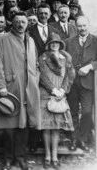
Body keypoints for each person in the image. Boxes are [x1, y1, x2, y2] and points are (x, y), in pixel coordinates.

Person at [0, 12, 40, 170]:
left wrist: (35, 80)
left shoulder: (30, 40)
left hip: (28, 88)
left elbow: (34, 64)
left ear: (28, 24)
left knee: (24, 124)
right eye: (17, 21)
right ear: (11, 23)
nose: (20, 25)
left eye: (23, 22)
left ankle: (20, 157)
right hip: (10, 87)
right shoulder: (3, 38)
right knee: (9, 124)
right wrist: (1, 85)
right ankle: (8, 158)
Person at [39, 33, 74, 170]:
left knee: (56, 128)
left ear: (60, 44)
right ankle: (47, 156)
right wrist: (53, 90)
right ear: (48, 44)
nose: (54, 45)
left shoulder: (65, 58)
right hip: (46, 94)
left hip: (60, 95)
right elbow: (42, 76)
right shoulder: (42, 57)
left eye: (57, 42)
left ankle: (55, 156)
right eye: (52, 43)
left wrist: (63, 90)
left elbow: (68, 76)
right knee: (47, 127)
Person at [65, 16, 97, 152]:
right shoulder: (68, 42)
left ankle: (82, 139)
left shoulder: (95, 41)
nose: (82, 28)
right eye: (79, 26)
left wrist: (90, 66)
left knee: (87, 111)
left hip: (88, 82)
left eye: (84, 26)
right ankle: (74, 139)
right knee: (72, 111)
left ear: (88, 26)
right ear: (75, 27)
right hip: (72, 82)